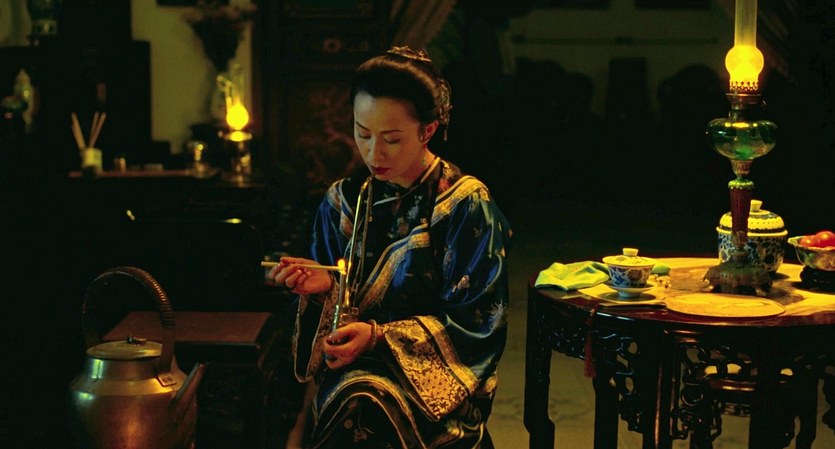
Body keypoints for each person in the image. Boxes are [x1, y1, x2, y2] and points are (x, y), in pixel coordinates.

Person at [269, 46, 512, 449]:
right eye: (362, 133)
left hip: (429, 387)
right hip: (348, 374)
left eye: (392, 139)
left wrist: (378, 337)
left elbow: (478, 324)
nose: (374, 153)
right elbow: (323, 340)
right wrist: (323, 290)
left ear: (427, 131)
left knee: (364, 409)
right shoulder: (342, 202)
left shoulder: (465, 206)